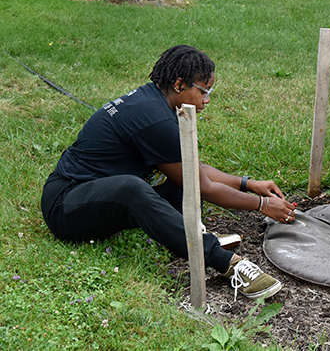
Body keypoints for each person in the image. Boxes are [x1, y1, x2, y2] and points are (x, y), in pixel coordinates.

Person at [41, 45, 297, 301]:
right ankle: (228, 263)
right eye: (203, 91)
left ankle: (189, 233)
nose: (207, 100)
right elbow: (203, 187)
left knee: (174, 179)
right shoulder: (156, 120)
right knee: (133, 190)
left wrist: (248, 184)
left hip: (94, 195)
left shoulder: (153, 101)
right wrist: (262, 205)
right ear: (178, 84)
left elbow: (190, 168)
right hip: (66, 205)